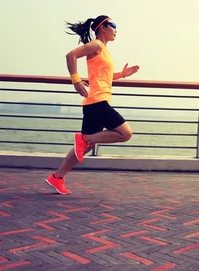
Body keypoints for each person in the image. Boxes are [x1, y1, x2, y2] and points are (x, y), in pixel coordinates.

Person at [45, 15, 139, 195]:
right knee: (125, 133)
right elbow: (71, 55)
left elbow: (104, 77)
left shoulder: (103, 50)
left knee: (83, 148)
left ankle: (57, 177)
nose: (116, 29)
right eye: (113, 25)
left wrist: (123, 74)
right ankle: (84, 139)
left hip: (93, 103)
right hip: (97, 102)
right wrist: (76, 80)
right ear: (102, 28)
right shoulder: (97, 45)